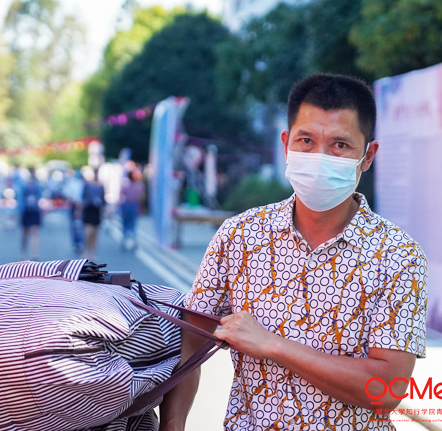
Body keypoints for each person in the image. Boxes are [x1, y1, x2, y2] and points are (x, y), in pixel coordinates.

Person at [159, 74, 428, 431]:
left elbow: (386, 388)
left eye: (340, 145)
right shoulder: (239, 236)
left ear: (368, 156)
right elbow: (188, 346)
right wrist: (172, 425)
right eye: (306, 140)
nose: (319, 157)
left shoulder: (399, 256)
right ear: (286, 144)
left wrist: (274, 345)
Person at [81, 168, 106, 261]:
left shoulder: (101, 186)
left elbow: (103, 200)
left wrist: (104, 210)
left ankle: (93, 253)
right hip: (89, 210)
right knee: (88, 232)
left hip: (97, 211)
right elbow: (83, 198)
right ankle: (86, 251)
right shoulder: (87, 185)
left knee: (95, 233)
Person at [19, 167, 43, 260]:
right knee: (26, 232)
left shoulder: (37, 185)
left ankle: (34, 253)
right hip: (28, 210)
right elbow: (21, 199)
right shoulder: (24, 185)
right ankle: (26, 251)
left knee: (34, 232)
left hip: (33, 211)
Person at [119, 168, 145, 250]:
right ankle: (133, 242)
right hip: (134, 205)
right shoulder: (139, 186)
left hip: (126, 205)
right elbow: (141, 197)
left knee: (125, 224)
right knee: (133, 224)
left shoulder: (125, 185)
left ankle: (125, 241)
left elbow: (121, 195)